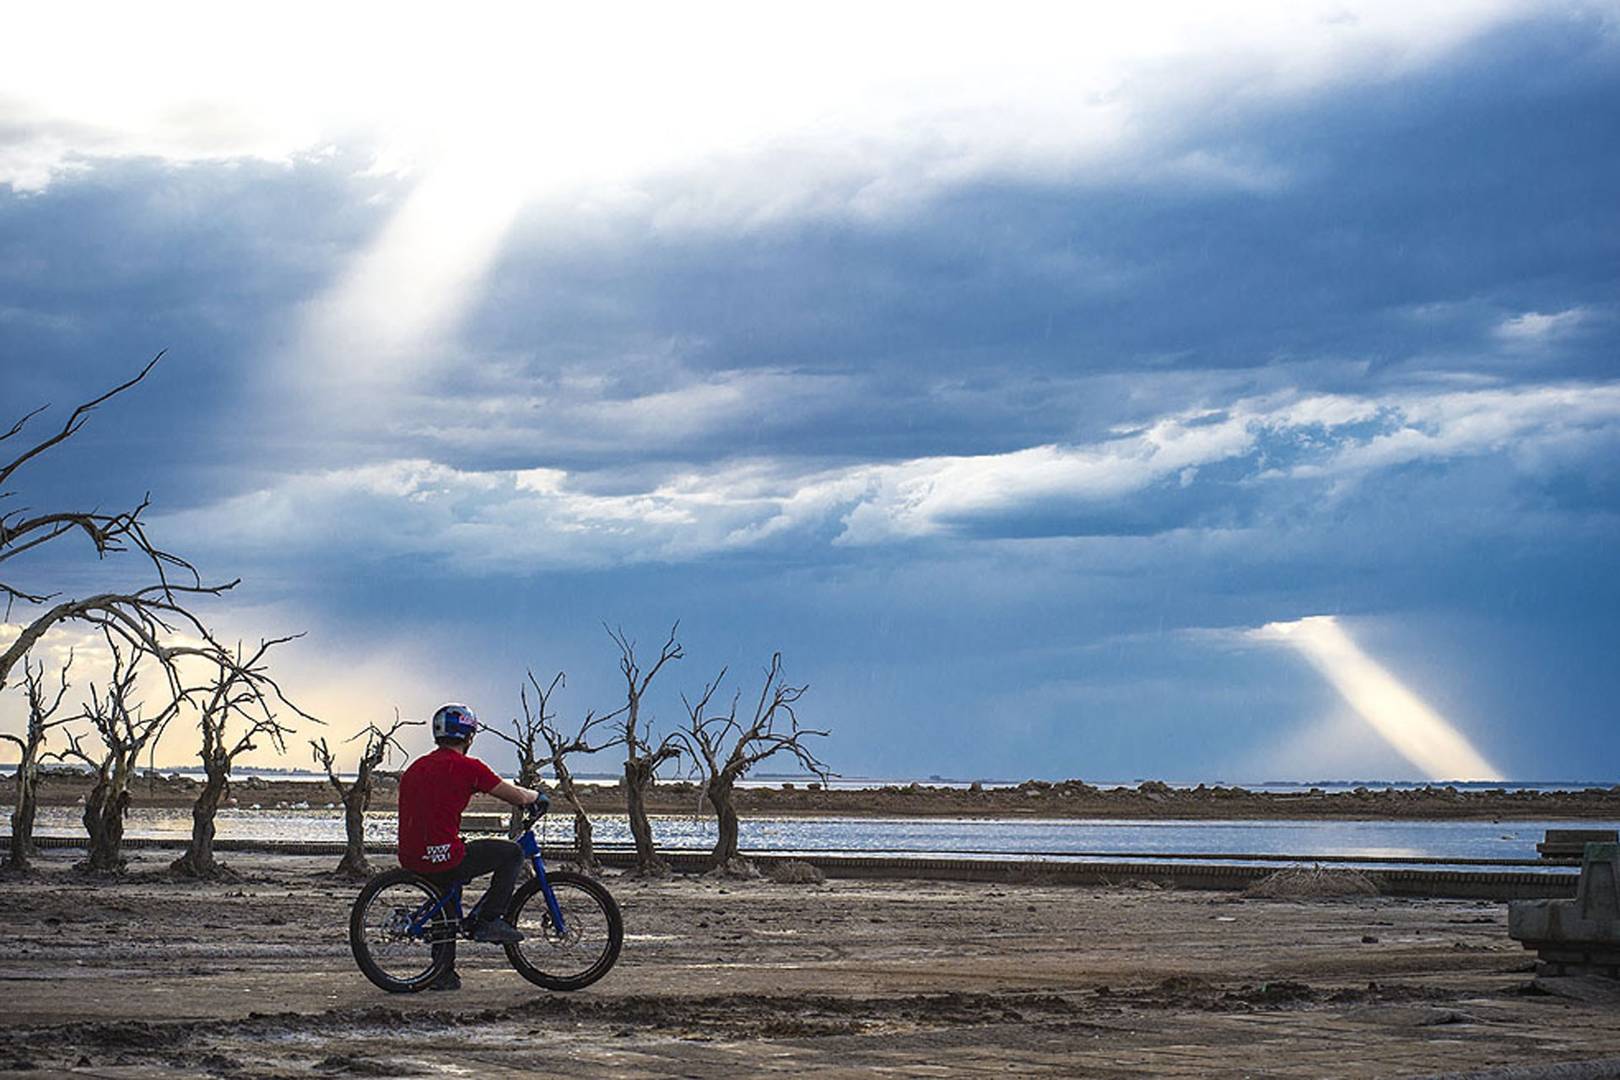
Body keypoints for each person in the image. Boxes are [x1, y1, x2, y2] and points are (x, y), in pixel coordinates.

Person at [397, 702, 543, 991]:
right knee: (512, 852)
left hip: (412, 855)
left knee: (447, 898)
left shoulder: (416, 767)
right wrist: (537, 795)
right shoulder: (468, 767)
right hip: (443, 855)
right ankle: (490, 919)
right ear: (468, 737)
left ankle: (442, 973)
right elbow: (514, 795)